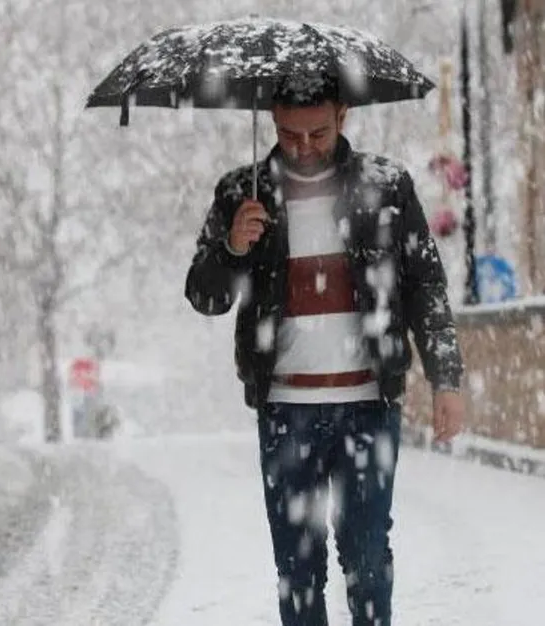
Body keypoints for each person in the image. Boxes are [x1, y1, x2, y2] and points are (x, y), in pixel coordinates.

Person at [184, 75, 466, 626]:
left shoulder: (387, 188)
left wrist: (446, 378)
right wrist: (233, 247)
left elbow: (424, 286)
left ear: (343, 116)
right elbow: (204, 295)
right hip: (286, 410)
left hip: (368, 404)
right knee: (297, 566)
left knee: (366, 559)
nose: (304, 146)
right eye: (291, 135)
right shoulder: (243, 194)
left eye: (317, 132)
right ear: (271, 121)